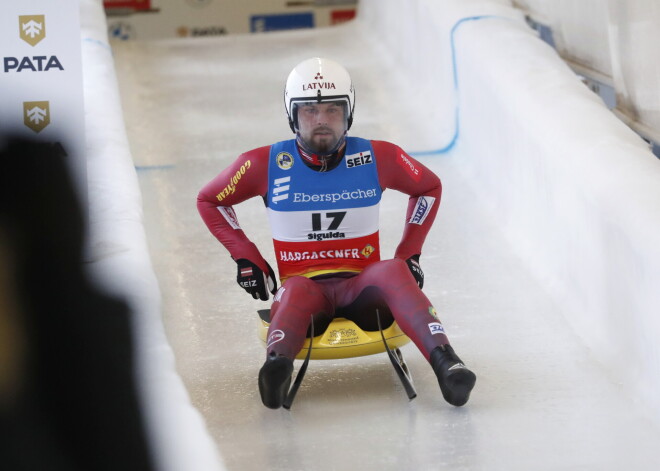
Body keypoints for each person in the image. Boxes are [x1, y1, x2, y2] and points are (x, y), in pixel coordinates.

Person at [197, 57, 476, 409]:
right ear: (292, 115)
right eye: (310, 111)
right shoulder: (262, 163)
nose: (321, 121)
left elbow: (428, 188)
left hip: (364, 288)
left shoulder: (379, 156)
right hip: (306, 291)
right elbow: (210, 200)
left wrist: (410, 253)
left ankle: (448, 364)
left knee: (393, 269)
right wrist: (246, 257)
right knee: (295, 288)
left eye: (332, 110)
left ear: (349, 113)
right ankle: (276, 368)